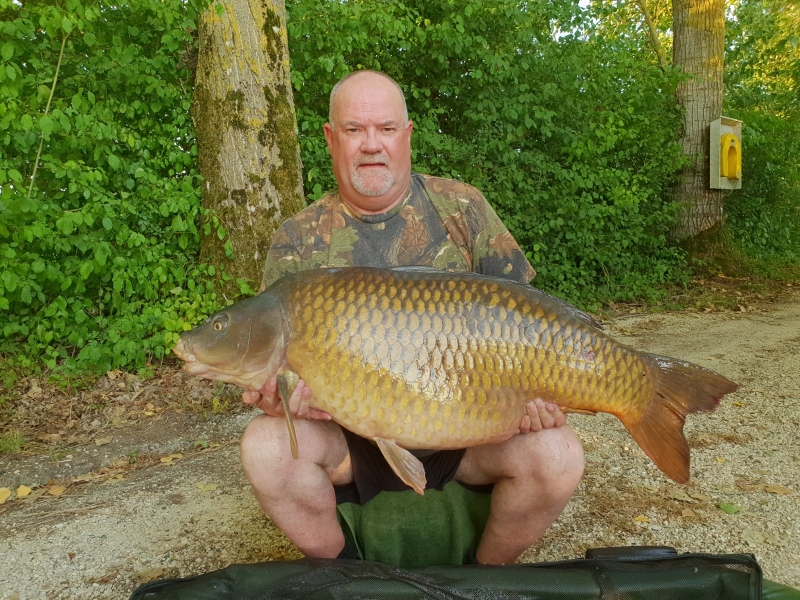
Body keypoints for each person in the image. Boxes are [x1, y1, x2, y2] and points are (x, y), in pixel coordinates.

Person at [239, 70, 584, 567]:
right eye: (354, 130)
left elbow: (525, 322)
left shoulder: (462, 209)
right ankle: (346, 579)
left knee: (558, 453)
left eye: (385, 128)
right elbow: (277, 369)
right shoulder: (298, 238)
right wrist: (282, 398)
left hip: (467, 432)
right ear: (331, 138)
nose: (371, 145)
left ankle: (486, 579)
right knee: (265, 447)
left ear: (407, 134)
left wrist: (538, 396)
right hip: (349, 440)